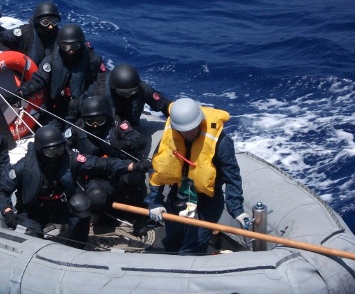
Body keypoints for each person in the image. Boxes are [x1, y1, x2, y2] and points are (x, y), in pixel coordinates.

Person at [0, 125, 152, 247]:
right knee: (30, 238)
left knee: (81, 206)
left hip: (60, 206)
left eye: (59, 150)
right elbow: (2, 190)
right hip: (34, 211)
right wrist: (7, 211)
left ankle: (76, 247)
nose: (56, 156)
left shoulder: (70, 159)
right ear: (40, 151)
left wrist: (133, 166)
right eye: (50, 152)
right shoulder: (23, 167)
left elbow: (102, 164)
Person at [145, 98, 250, 255]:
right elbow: (158, 168)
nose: (188, 133)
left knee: (192, 248)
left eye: (191, 129)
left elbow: (232, 176)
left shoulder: (221, 143)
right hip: (180, 195)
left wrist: (237, 210)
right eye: (183, 130)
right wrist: (155, 201)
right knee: (174, 241)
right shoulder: (170, 138)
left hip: (207, 202)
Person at [64, 95, 150, 236]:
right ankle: (105, 214)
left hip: (120, 173)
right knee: (96, 197)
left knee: (135, 176)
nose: (95, 126)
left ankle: (139, 218)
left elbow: (138, 139)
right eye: (91, 122)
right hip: (97, 178)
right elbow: (63, 145)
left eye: (99, 121)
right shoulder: (77, 130)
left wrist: (125, 143)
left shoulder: (118, 125)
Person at [8, 23, 106, 127]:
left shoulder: (93, 61)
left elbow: (102, 82)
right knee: (50, 134)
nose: (71, 51)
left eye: (75, 46)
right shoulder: (51, 60)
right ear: (59, 45)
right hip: (55, 109)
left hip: (83, 109)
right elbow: (38, 80)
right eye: (66, 47)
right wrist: (21, 92)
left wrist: (85, 98)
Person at [75, 63, 171, 128]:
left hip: (130, 126)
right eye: (124, 93)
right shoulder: (98, 91)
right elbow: (79, 109)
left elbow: (164, 105)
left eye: (132, 93)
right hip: (104, 126)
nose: (128, 96)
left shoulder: (142, 88)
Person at [0, 1, 60, 67]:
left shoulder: (61, 37)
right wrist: (3, 49)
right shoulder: (25, 33)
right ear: (37, 21)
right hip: (24, 74)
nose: (50, 26)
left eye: (54, 22)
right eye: (45, 22)